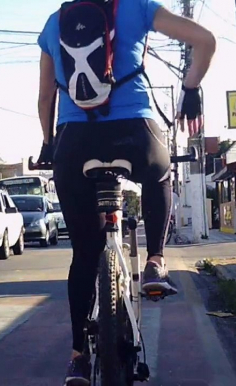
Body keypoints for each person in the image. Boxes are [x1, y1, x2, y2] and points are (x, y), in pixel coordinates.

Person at [35, 0, 216, 383]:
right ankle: (154, 261)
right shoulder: (137, 7)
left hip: (75, 142)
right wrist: (192, 88)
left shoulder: (56, 23)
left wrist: (49, 143)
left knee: (84, 254)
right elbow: (205, 40)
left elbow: (45, 98)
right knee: (161, 174)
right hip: (135, 134)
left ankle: (78, 356)